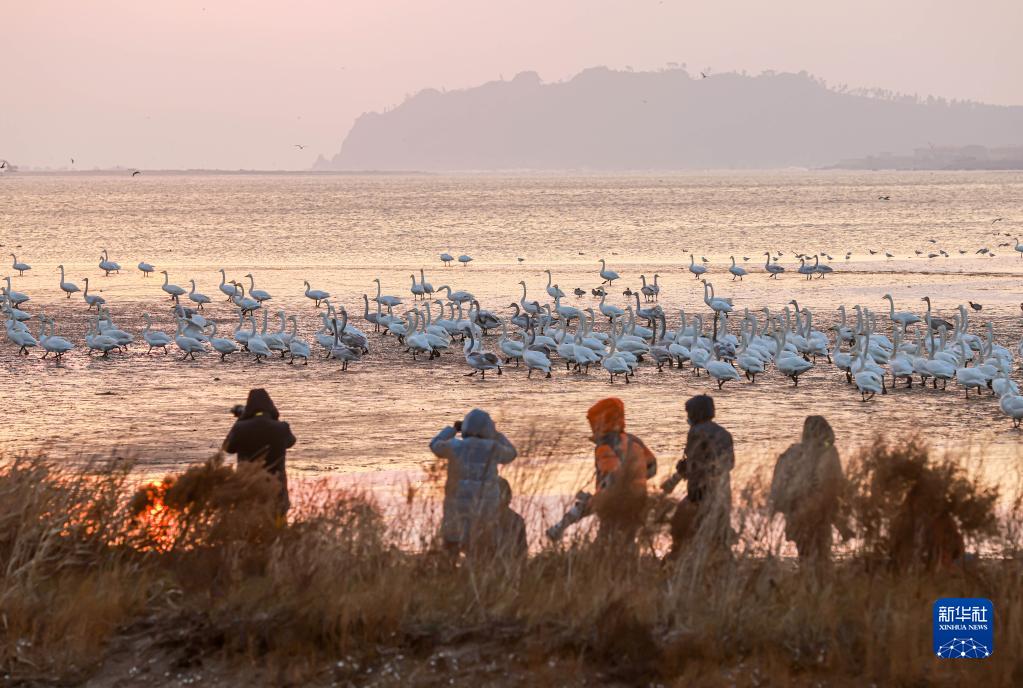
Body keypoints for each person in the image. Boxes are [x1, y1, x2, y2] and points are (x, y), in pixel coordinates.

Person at [430, 408, 517, 557]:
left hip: (456, 510)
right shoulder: (493, 448)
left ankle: (449, 567)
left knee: (451, 549)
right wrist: (497, 435)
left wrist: (452, 430)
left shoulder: (455, 446)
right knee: (482, 552)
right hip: (486, 511)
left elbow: (435, 445)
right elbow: (511, 453)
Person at [770, 416, 849, 571]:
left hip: (795, 515)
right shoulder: (828, 453)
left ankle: (806, 580)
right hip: (817, 517)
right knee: (821, 558)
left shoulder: (791, 453)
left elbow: (778, 491)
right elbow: (832, 490)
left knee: (805, 556)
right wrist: (840, 521)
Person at [667, 395, 734, 560]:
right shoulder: (725, 434)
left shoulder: (696, 431)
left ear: (696, 413)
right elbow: (729, 463)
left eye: (689, 413)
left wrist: (682, 475)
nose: (688, 417)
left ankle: (680, 561)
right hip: (723, 490)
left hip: (700, 492)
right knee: (718, 534)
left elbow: (694, 466)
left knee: (681, 527)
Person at [586, 397, 657, 550]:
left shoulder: (604, 445)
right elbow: (652, 467)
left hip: (614, 503)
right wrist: (636, 478)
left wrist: (596, 499)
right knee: (628, 538)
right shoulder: (634, 440)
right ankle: (630, 562)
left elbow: (609, 478)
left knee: (606, 542)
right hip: (638, 500)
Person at [224, 388, 296, 514]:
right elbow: (291, 442)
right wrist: (274, 419)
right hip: (277, 491)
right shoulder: (282, 428)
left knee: (248, 523)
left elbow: (228, 448)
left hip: (248, 489)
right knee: (277, 523)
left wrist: (241, 419)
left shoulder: (240, 428)